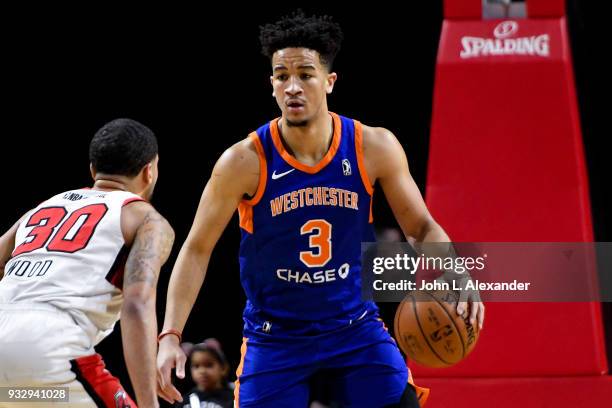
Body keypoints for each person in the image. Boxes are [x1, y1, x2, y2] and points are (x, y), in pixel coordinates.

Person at [157, 11, 484, 407]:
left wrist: (456, 271)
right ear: (272, 85)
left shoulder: (372, 146)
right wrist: (170, 335)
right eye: (282, 76)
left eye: (305, 74)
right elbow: (196, 249)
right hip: (275, 336)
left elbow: (421, 227)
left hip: (354, 329)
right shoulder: (243, 162)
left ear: (329, 81)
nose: (293, 86)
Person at [0, 118, 174, 408]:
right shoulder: (147, 219)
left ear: (93, 170)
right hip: (50, 349)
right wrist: (148, 401)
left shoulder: (41, 208)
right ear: (149, 171)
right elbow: (137, 305)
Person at [175, 339, 233, 408]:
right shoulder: (184, 400)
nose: (202, 371)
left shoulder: (233, 397)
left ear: (223, 368)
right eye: (196, 366)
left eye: (209, 365)